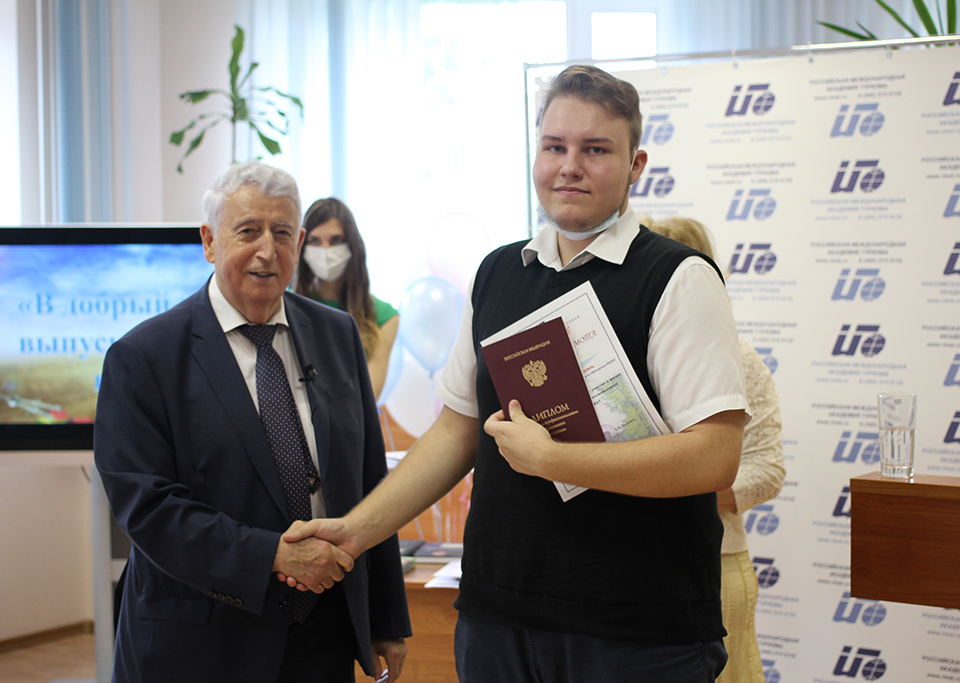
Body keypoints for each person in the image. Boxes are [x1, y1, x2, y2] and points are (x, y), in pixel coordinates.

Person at [285, 65, 749, 682]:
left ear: (636, 165)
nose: (569, 167)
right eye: (554, 147)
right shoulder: (498, 274)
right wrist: (354, 533)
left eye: (595, 150)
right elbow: (455, 432)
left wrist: (553, 459)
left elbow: (713, 456)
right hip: (498, 619)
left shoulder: (678, 278)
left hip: (637, 631)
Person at [94, 161, 411, 683]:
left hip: (323, 633)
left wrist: (385, 619)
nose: (267, 250)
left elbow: (369, 480)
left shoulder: (337, 335)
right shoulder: (144, 357)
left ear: (299, 243)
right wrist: (272, 557)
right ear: (209, 241)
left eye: (282, 233)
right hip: (202, 642)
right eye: (248, 231)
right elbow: (147, 509)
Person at [645, 216, 785, 683]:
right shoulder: (617, 360)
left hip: (714, 567)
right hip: (626, 574)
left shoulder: (737, 357)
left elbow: (766, 471)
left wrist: (669, 484)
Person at [294, 198, 399, 401]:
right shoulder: (284, 305)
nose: (325, 250)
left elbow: (368, 398)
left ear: (353, 244)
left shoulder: (384, 316)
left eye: (336, 240)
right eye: (314, 241)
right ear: (302, 246)